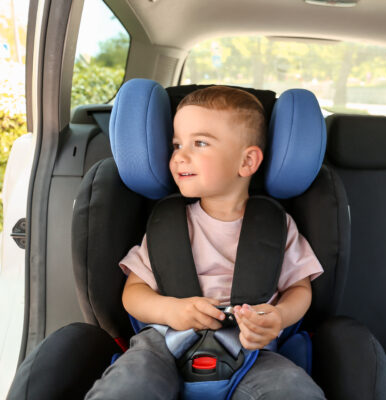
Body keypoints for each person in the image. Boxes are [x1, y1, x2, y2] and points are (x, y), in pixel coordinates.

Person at [85, 86, 326, 400]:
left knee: (293, 391)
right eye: (176, 144)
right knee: (126, 387)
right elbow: (133, 293)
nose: (179, 156)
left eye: (199, 143)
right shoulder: (167, 227)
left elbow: (299, 288)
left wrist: (278, 317)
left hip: (251, 350)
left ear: (247, 161)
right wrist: (170, 310)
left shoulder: (277, 226)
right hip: (163, 344)